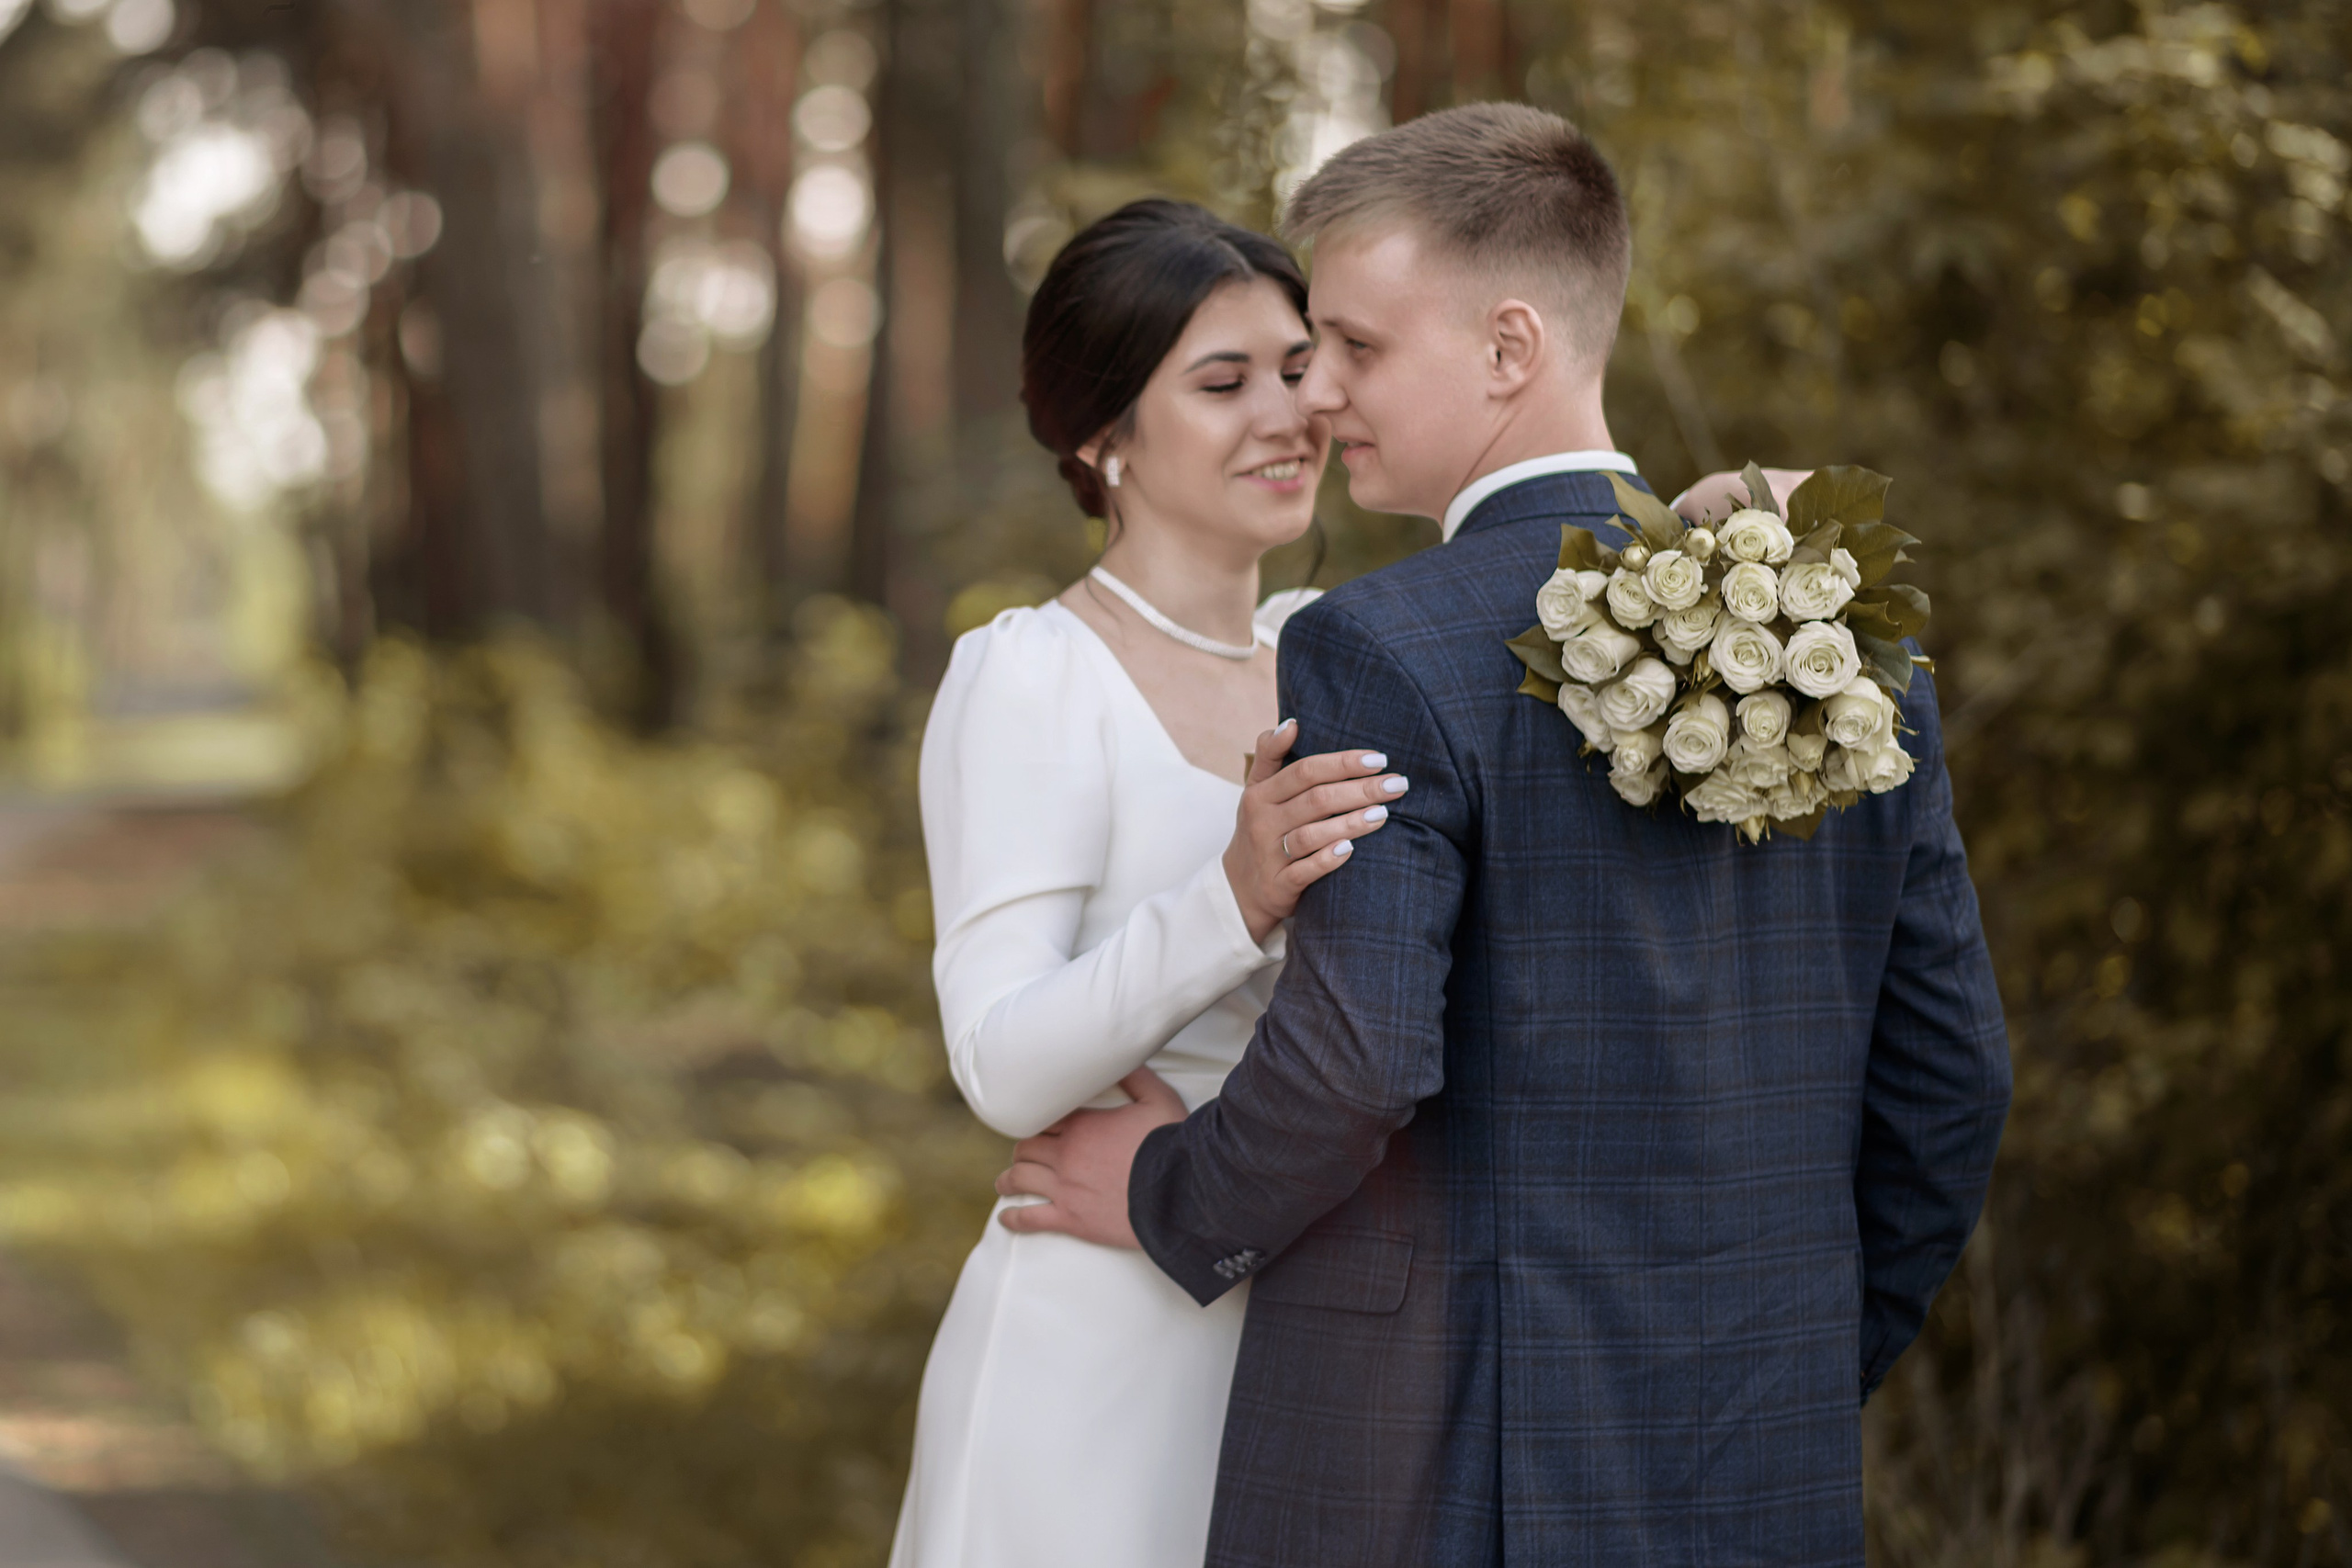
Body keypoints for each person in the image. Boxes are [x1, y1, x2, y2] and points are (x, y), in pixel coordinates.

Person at [996, 105, 2012, 1566]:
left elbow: (1360, 1057)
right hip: (1760, 1476)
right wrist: (1797, 1357)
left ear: (1510, 351)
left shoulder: (1377, 645)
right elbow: (1954, 1085)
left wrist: (1170, 1195)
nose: (1316, 397)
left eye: (1356, 346)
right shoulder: (1843, 641)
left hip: (1448, 1484)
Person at [888, 199, 1410, 1568]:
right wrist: (1228, 899)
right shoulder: (1033, 675)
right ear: (1100, 435)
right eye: (1223, 382)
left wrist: (1689, 537)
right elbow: (1002, 1063)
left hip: (1305, 1334)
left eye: (1299, 367)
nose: (1289, 412)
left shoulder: (1336, 651)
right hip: (1093, 1350)